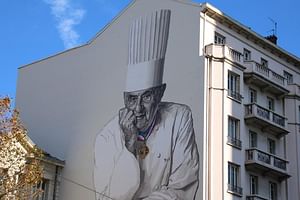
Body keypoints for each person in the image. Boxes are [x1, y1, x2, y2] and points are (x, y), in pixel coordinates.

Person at [94, 9, 199, 200]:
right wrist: (129, 144)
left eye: (147, 97)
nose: (138, 109)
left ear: (160, 93)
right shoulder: (106, 137)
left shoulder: (179, 117)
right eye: (132, 99)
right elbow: (107, 197)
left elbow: (183, 187)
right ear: (124, 97)